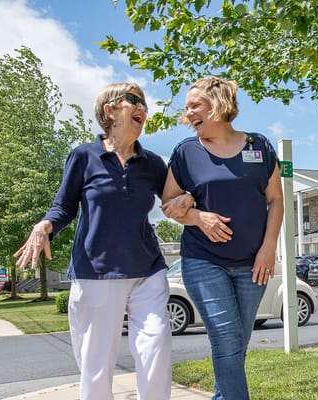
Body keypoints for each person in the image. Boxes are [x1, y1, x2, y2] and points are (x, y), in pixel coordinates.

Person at [13, 83, 192, 400]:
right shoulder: (84, 157)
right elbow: (64, 206)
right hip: (95, 271)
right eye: (135, 101)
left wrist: (188, 200)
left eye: (145, 104)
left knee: (157, 348)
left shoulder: (151, 163)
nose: (143, 110)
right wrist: (44, 225)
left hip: (146, 269)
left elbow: (172, 202)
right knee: (95, 368)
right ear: (110, 110)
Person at [161, 77, 284, 400]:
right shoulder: (186, 152)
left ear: (218, 105)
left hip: (253, 264)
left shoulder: (260, 146)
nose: (188, 114)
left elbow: (275, 200)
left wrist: (269, 247)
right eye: (187, 108)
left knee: (236, 343)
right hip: (204, 261)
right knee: (227, 337)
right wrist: (198, 217)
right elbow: (168, 205)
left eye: (194, 105)